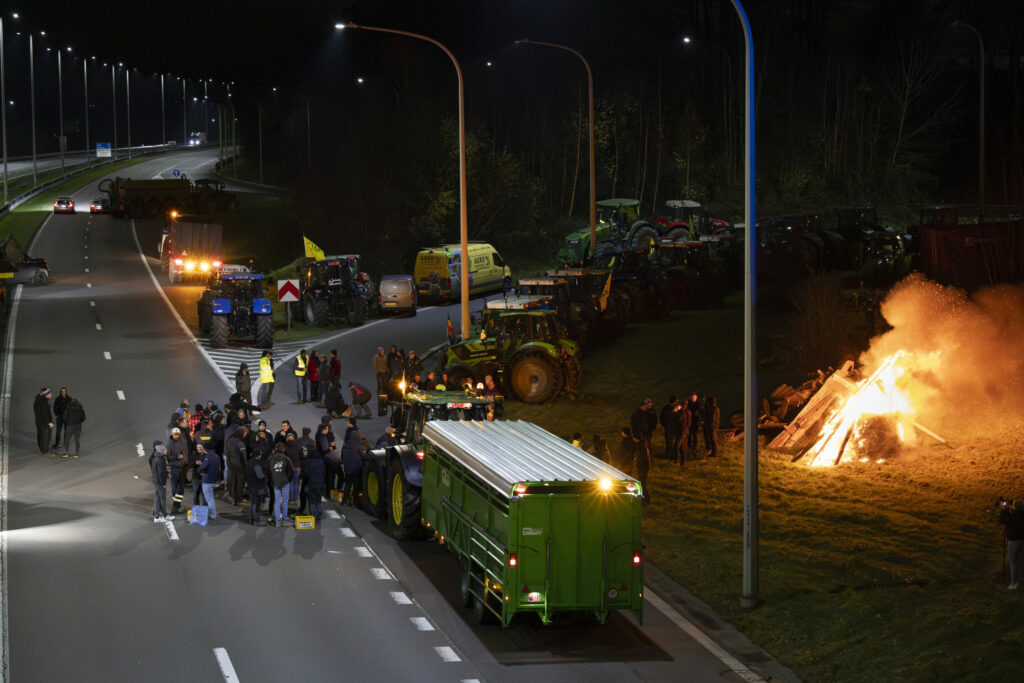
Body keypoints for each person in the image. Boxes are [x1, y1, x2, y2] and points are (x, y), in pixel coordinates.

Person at [267, 443, 295, 526]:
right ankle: (285, 518)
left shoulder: (270, 458)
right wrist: (289, 479)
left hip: (275, 482)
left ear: (275, 448)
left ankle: (277, 520)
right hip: (285, 482)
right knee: (285, 501)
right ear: (283, 449)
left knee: (277, 501)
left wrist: (270, 479)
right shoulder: (286, 458)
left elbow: (265, 470)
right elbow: (292, 471)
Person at [999, 500, 1024, 589]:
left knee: (1013, 562)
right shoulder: (1022, 515)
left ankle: (1014, 583)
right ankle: (1021, 581)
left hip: (1014, 541)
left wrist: (1004, 510)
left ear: (1014, 507)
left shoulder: (1012, 516)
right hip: (1022, 540)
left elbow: (1002, 520)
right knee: (1020, 561)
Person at [340, 418, 364, 506]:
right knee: (356, 487)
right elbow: (363, 456)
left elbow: (342, 457)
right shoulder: (358, 446)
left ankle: (344, 501)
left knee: (347, 485)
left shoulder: (345, 446)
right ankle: (355, 502)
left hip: (347, 469)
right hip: (356, 470)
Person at [225, 425, 249, 506]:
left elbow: (227, 453)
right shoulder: (240, 443)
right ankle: (239, 499)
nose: (245, 435)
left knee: (233, 482)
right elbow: (243, 456)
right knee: (240, 483)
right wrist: (245, 466)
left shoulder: (230, 440)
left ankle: (233, 497)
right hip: (239, 466)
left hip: (231, 464)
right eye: (245, 433)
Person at [166, 427, 188, 513]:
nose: (176, 436)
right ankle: (176, 506)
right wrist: (177, 457)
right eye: (175, 434)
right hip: (175, 468)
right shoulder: (169, 444)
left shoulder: (183, 441)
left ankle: (177, 505)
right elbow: (168, 457)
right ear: (172, 434)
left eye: (178, 434)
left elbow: (186, 452)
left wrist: (186, 461)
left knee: (181, 488)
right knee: (176, 488)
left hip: (183, 468)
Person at [150, 441, 172, 522]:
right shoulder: (160, 460)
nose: (166, 450)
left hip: (156, 481)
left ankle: (156, 516)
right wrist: (163, 483)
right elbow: (161, 473)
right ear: (161, 450)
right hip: (159, 482)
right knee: (162, 499)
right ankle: (165, 515)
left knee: (157, 498)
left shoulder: (156, 458)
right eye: (165, 449)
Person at [198, 444, 221, 522]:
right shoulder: (216, 456)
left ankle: (212, 516)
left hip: (207, 480)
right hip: (213, 479)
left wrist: (199, 470)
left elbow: (203, 466)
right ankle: (209, 514)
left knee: (209, 499)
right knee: (210, 498)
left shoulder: (208, 457)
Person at [303, 446, 326, 521]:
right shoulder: (322, 462)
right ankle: (319, 514)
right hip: (320, 484)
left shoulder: (309, 462)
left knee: (312, 500)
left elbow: (306, 473)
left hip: (311, 483)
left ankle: (314, 514)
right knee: (318, 499)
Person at [244, 448, 267, 525]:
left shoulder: (249, 462)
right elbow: (260, 476)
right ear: (257, 455)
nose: (261, 455)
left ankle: (252, 518)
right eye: (260, 454)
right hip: (257, 485)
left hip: (251, 485)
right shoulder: (256, 464)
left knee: (253, 501)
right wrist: (267, 475)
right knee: (256, 502)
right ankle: (255, 519)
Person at [34, 388, 55, 457]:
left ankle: (42, 450)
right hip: (44, 423)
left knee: (41, 436)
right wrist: (49, 423)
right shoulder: (43, 401)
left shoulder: (38, 401)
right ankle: (45, 452)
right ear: (46, 394)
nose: (51, 394)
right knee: (46, 437)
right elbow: (45, 413)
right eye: (50, 393)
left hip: (39, 422)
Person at [659, 396, 679, 460]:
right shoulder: (672, 409)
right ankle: (669, 455)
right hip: (671, 427)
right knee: (670, 442)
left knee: (669, 442)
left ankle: (669, 454)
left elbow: (661, 418)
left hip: (669, 427)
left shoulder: (665, 408)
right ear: (675, 401)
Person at [676, 402, 692, 467]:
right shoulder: (688, 412)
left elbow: (678, 420)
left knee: (677, 446)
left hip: (682, 432)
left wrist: (676, 412)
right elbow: (689, 423)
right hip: (686, 431)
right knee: (683, 447)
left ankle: (677, 460)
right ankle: (683, 462)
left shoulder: (682, 412)